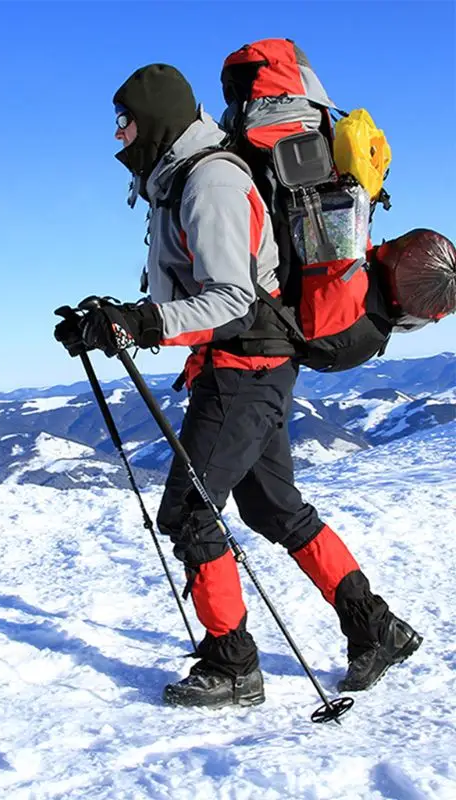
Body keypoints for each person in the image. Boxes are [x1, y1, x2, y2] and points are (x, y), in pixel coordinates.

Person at [55, 63, 421, 709]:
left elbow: (230, 302)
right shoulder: (182, 178)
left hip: (246, 367)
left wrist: (138, 323)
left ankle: (233, 665)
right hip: (251, 365)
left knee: (190, 511)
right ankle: (376, 629)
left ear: (157, 117)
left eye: (126, 121)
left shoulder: (212, 181)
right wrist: (106, 321)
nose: (118, 136)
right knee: (274, 509)